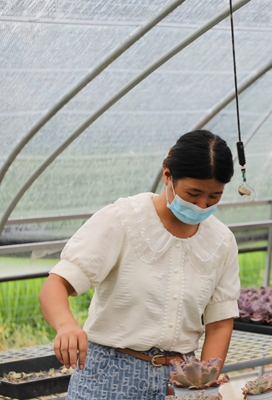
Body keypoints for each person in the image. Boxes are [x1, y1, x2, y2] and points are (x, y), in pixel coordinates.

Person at [39, 130, 240, 399]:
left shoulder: (221, 241)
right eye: (193, 194)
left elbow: (219, 322)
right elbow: (58, 283)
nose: (202, 205)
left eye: (214, 197)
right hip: (108, 375)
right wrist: (66, 325)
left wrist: (203, 382)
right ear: (167, 176)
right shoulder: (123, 219)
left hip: (180, 378)